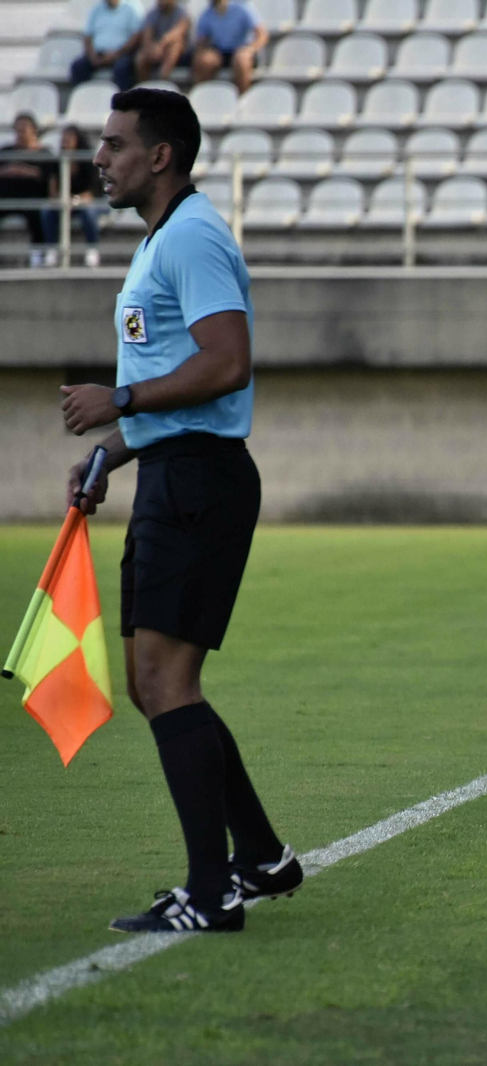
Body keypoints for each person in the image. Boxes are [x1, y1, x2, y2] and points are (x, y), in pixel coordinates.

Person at [61, 87, 300, 934]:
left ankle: (210, 893)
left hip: (198, 480)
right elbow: (179, 385)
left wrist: (121, 398)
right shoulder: (164, 240)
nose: (100, 158)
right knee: (155, 683)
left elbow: (226, 363)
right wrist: (112, 449)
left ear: (160, 156)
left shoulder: (192, 236)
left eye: (115, 144)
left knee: (166, 682)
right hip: (175, 471)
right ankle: (259, 858)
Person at [42, 126, 109, 268]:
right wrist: (62, 200)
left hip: (88, 202)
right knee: (47, 211)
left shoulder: (88, 161)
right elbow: (53, 190)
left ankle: (92, 250)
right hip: (65, 201)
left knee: (88, 212)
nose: (65, 141)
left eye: (69, 137)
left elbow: (93, 192)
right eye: (64, 138)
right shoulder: (56, 162)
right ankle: (51, 250)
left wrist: (75, 200)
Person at [0, 113, 52, 266]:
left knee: (38, 216)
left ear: (34, 130)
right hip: (7, 199)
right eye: (18, 130)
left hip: (34, 199)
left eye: (24, 130)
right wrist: (8, 170)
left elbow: (47, 175)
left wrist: (24, 171)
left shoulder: (44, 153)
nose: (20, 134)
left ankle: (37, 255)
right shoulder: (6, 151)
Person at [191, 0, 268, 93]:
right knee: (205, 61)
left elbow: (262, 34)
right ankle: (204, 96)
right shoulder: (206, 14)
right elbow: (201, 42)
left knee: (241, 60)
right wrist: (203, 53)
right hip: (220, 52)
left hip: (243, 50)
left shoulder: (242, 8)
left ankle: (243, 97)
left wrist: (250, 49)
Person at [69, 0, 144, 92]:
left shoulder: (132, 7)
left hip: (122, 54)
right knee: (78, 67)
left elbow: (136, 36)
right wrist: (93, 57)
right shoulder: (97, 9)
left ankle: (122, 100)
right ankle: (84, 98)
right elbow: (88, 36)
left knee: (122, 68)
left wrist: (116, 55)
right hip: (98, 54)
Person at [134, 0, 192, 84]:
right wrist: (152, 47)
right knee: (141, 57)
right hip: (156, 49)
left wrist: (161, 45)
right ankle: (144, 85)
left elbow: (177, 32)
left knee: (176, 45)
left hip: (180, 54)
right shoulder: (152, 14)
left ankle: (162, 80)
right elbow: (147, 34)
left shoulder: (182, 12)